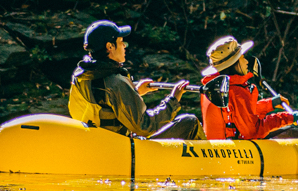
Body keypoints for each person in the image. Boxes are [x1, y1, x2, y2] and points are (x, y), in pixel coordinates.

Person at [69, 20, 204, 140]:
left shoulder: (81, 77)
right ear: (110, 47)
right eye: (121, 42)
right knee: (190, 123)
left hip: (97, 146)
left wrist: (135, 92)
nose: (124, 46)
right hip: (123, 153)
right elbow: (144, 126)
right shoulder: (115, 83)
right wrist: (173, 100)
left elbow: (101, 106)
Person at [199, 36, 298, 140]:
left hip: (217, 145)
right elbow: (253, 130)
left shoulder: (215, 88)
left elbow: (240, 114)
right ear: (233, 65)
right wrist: (286, 118)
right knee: (294, 133)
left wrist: (269, 104)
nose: (247, 62)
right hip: (232, 149)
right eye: (242, 58)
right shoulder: (236, 91)